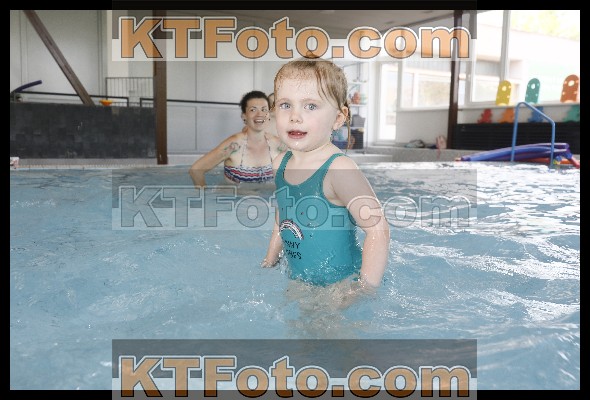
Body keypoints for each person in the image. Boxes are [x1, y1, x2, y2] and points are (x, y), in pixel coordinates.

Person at [261, 58, 390, 293]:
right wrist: (270, 259)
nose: (295, 116)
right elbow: (283, 216)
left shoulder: (338, 170)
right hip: (300, 281)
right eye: (285, 105)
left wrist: (363, 290)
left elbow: (378, 229)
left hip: (341, 286)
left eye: (310, 106)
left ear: (338, 118)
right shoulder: (280, 164)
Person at [189, 91, 286, 188]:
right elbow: (196, 171)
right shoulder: (234, 146)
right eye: (253, 110)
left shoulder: (278, 145)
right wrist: (204, 194)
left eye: (264, 109)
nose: (259, 114)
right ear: (244, 115)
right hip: (233, 196)